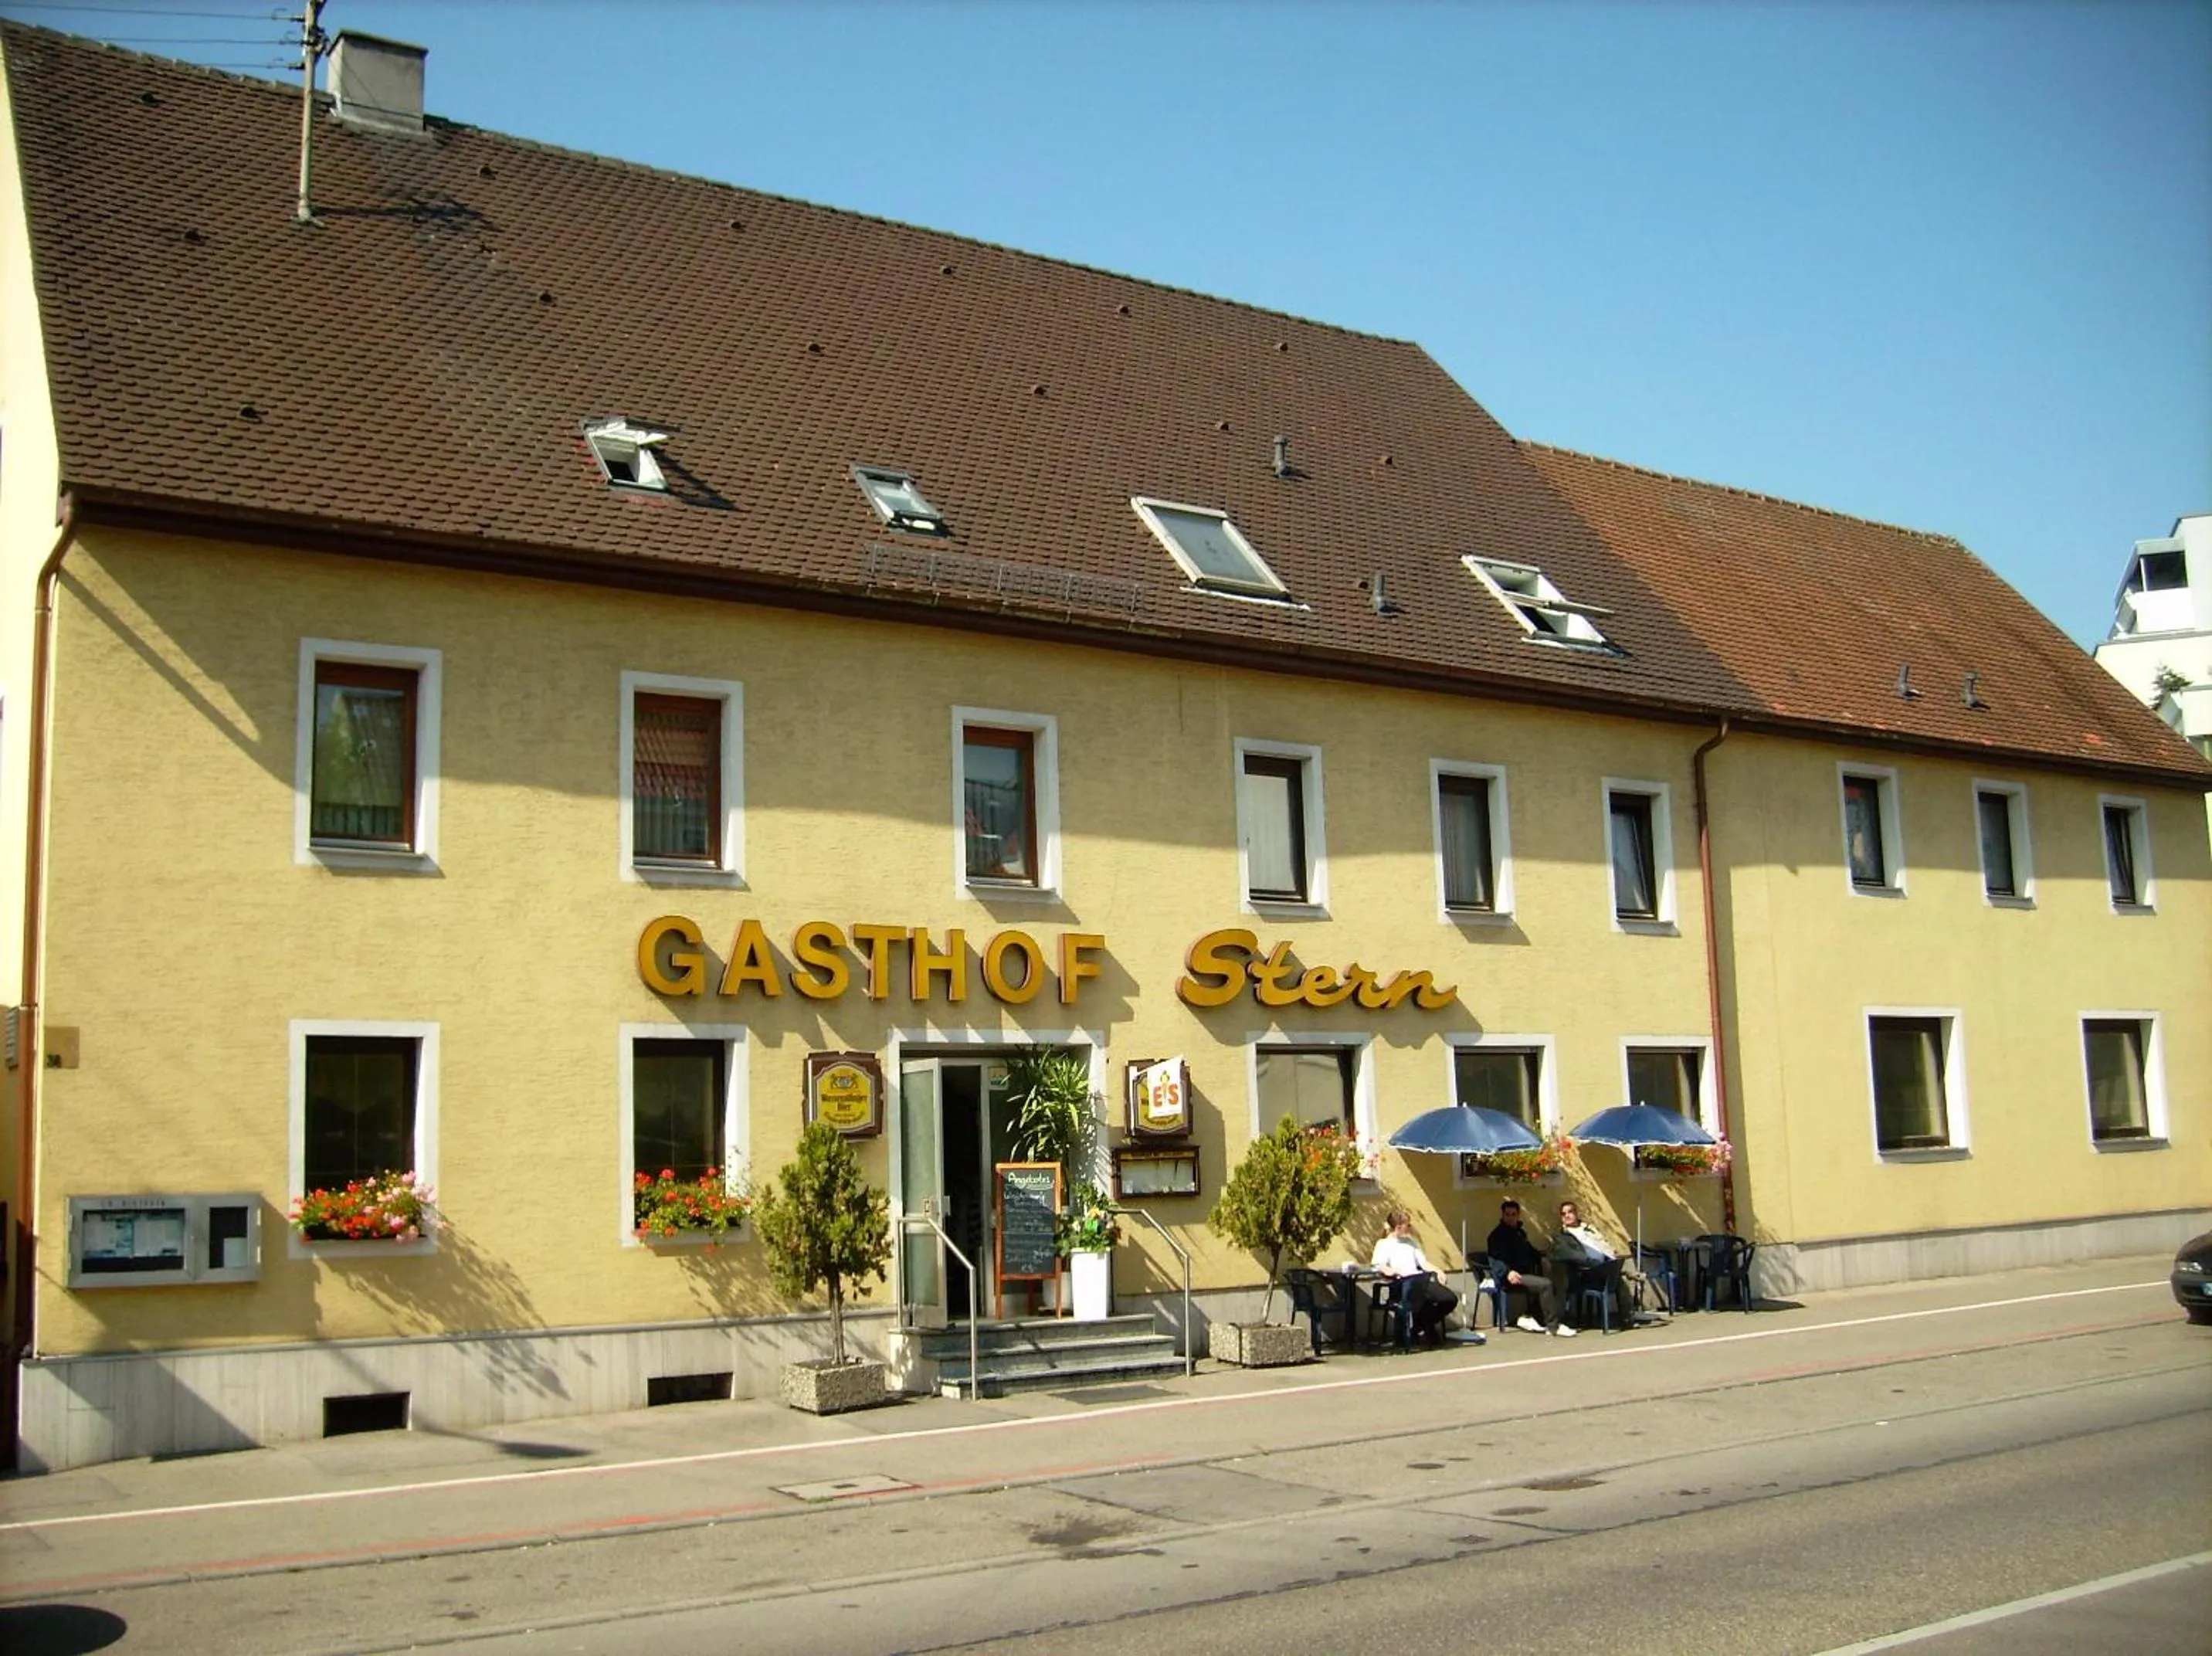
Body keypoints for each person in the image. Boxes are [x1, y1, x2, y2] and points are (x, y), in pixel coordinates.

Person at [1369, 1209, 1467, 1348]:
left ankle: (1423, 1323)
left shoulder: (1411, 1242)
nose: (1410, 1228)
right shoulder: (1384, 1244)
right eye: (1408, 1225)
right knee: (1419, 1300)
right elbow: (1379, 1265)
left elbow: (1423, 1263)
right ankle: (1422, 1329)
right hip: (1403, 1282)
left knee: (1449, 1299)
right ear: (1398, 1227)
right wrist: (1394, 1272)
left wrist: (1438, 1271)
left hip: (1420, 1279)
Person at [1483, 1198, 1575, 1337]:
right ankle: (1553, 1326)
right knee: (1545, 1285)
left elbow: (1531, 1252)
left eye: (1513, 1214)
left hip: (1526, 1273)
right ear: (1502, 1215)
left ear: (1518, 1215)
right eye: (1507, 1214)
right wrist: (1508, 1272)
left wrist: (1546, 1258)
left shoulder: (1519, 1233)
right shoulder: (1497, 1236)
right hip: (1512, 1277)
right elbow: (1495, 1259)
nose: (1510, 1218)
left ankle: (1550, 1316)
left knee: (1554, 1272)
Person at [1550, 1200, 1627, 1328]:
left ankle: (1627, 1318)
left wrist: (1611, 1255)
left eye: (1570, 1212)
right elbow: (1573, 1255)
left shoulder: (1589, 1229)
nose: (1567, 1216)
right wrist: (1592, 1262)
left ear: (1577, 1213)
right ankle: (1627, 1314)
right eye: (1563, 1214)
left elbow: (1603, 1243)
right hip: (1586, 1271)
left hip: (1605, 1264)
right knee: (1617, 1275)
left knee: (1619, 1277)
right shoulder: (1561, 1236)